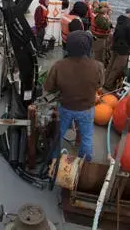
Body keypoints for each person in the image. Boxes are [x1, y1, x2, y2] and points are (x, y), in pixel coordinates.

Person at [43, 30, 104, 161]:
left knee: (58, 135)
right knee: (87, 138)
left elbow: (48, 87)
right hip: (87, 108)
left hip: (65, 106)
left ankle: (52, 161)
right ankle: (85, 163)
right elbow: (100, 85)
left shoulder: (59, 66)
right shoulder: (98, 66)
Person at [104, 8, 130, 91]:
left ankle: (104, 81)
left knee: (110, 66)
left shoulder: (120, 21)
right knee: (117, 68)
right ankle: (108, 85)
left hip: (115, 47)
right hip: (123, 51)